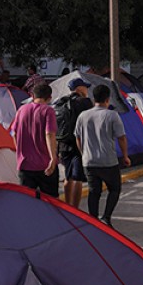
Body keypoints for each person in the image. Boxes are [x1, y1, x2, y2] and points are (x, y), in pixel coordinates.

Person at [76, 84, 129, 226]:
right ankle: (106, 217)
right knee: (115, 189)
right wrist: (125, 156)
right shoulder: (112, 115)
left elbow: (78, 137)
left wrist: (83, 153)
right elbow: (121, 137)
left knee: (94, 191)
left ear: (93, 99)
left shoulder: (83, 116)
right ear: (108, 99)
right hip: (108, 161)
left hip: (89, 161)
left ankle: (93, 219)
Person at [10, 82, 59, 197]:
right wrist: (53, 157)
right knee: (51, 201)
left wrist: (19, 150)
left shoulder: (21, 110)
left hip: (25, 164)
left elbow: (13, 133)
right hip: (45, 163)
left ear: (32, 96)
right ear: (49, 98)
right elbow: (50, 134)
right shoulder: (48, 111)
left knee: (27, 202)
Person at [53, 79, 93, 208]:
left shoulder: (61, 102)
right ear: (80, 88)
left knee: (68, 176)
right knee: (78, 178)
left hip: (63, 143)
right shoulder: (85, 102)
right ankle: (75, 209)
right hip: (78, 144)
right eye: (85, 88)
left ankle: (67, 207)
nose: (87, 90)